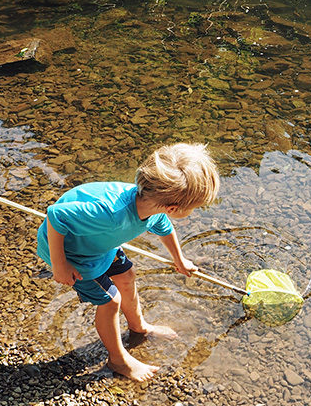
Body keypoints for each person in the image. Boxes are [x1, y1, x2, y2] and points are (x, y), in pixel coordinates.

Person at [36, 142, 219, 382]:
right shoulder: (111, 214)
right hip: (75, 254)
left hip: (101, 242)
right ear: (174, 207)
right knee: (112, 301)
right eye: (193, 208)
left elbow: (163, 226)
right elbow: (56, 215)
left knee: (127, 275)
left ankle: (139, 326)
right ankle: (118, 360)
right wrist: (60, 266)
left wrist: (179, 259)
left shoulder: (151, 204)